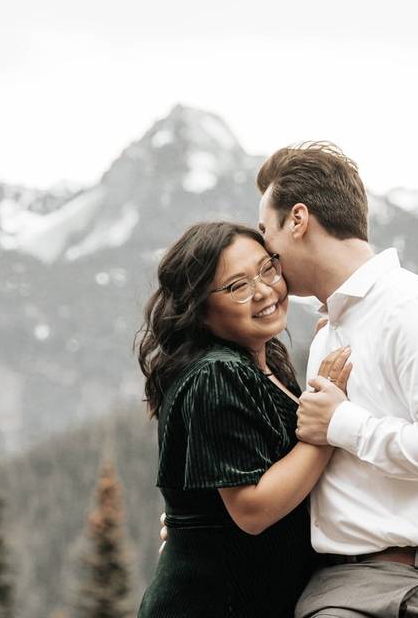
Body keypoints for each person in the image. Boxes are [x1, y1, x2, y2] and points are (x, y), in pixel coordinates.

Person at [255, 142, 418, 618]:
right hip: (337, 588)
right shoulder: (333, 330)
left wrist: (345, 424)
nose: (267, 254)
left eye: (267, 232)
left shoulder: (409, 308)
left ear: (298, 220)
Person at [135, 221, 352, 618]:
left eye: (267, 268)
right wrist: (325, 431)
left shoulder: (263, 366)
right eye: (238, 286)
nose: (265, 291)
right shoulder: (217, 374)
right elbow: (252, 509)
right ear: (199, 309)